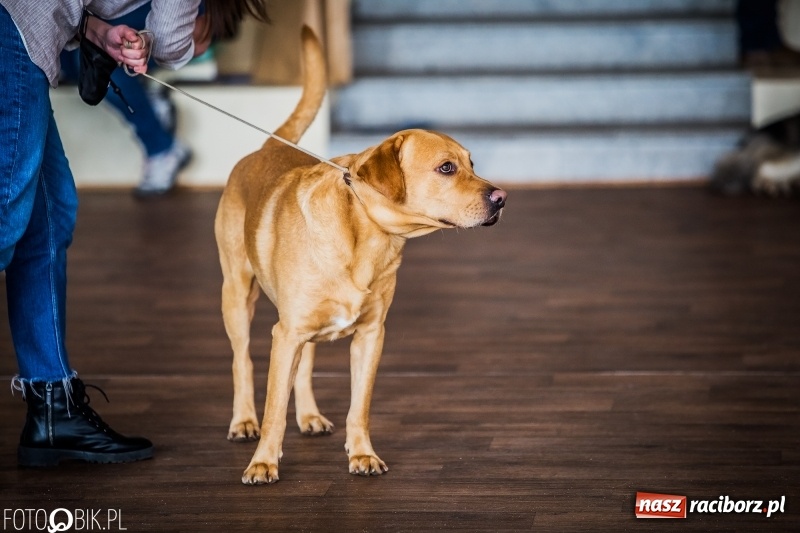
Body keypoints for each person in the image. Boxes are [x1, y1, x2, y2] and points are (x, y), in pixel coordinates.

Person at [0, 0, 268, 467]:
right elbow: (172, 34)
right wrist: (166, 44)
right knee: (5, 215)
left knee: (48, 216)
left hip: (30, 26)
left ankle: (52, 410)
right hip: (15, 27)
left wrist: (101, 32)